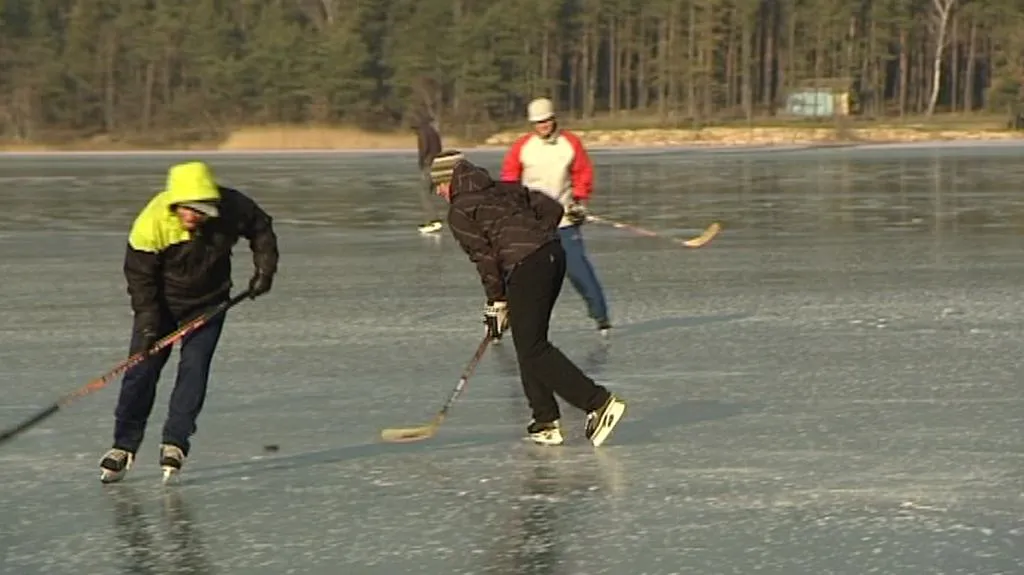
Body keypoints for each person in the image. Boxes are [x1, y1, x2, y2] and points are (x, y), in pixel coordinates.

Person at [99, 161, 279, 484]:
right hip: (160, 306)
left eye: (201, 209)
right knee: (141, 370)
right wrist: (149, 325)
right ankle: (122, 445)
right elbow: (140, 281)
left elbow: (261, 228)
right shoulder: (151, 223)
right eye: (187, 209)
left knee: (194, 369)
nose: (193, 215)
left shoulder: (232, 207)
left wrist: (264, 271)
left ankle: (176, 441)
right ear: (175, 203)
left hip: (209, 304)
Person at [430, 149, 626, 447]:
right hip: (552, 256)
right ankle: (545, 419)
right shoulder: (501, 188)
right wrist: (536, 238)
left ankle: (598, 403)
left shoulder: (460, 210)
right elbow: (551, 208)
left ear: (449, 180)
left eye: (438, 185)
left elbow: (484, 259)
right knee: (529, 341)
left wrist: (496, 301)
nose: (438, 192)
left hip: (528, 265)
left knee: (532, 346)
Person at [500, 97, 611, 335]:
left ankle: (601, 317)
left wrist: (579, 201)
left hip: (564, 221)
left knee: (578, 271)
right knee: (521, 275)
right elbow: (510, 178)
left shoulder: (570, 143)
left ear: (554, 119)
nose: (543, 126)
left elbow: (583, 173)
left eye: (547, 121)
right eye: (538, 122)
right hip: (531, 224)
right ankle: (503, 321)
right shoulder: (522, 147)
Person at [413, 114, 444, 234]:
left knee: (424, 193)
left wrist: (421, 162)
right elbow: (440, 148)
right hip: (437, 164)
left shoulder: (423, 132)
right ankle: (433, 219)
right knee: (431, 191)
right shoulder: (434, 132)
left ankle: (433, 220)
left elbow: (424, 148)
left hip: (429, 164)